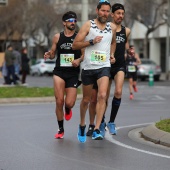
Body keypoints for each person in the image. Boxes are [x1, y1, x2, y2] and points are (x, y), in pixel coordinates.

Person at [72, 0, 117, 142]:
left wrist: (112, 54)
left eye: (107, 11)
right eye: (102, 11)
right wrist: (91, 41)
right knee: (86, 100)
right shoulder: (88, 25)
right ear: (97, 11)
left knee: (103, 95)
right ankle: (82, 124)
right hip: (88, 67)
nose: (105, 14)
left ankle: (97, 128)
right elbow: (75, 45)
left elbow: (114, 42)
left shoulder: (112, 27)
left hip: (104, 66)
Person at [44, 11, 83, 139]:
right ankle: (60, 129)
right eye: (71, 21)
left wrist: (78, 60)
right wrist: (48, 54)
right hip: (59, 72)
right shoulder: (57, 37)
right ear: (64, 22)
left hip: (72, 73)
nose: (73, 23)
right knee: (59, 101)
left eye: (75, 21)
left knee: (69, 103)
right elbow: (53, 53)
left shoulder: (79, 37)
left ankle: (68, 109)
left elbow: (84, 54)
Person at [102, 3, 131, 136]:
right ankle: (101, 121)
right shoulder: (106, 28)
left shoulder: (127, 31)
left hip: (119, 65)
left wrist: (129, 51)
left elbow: (125, 43)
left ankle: (111, 122)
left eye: (122, 14)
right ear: (112, 14)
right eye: (118, 13)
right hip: (106, 65)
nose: (121, 16)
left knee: (118, 91)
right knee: (104, 96)